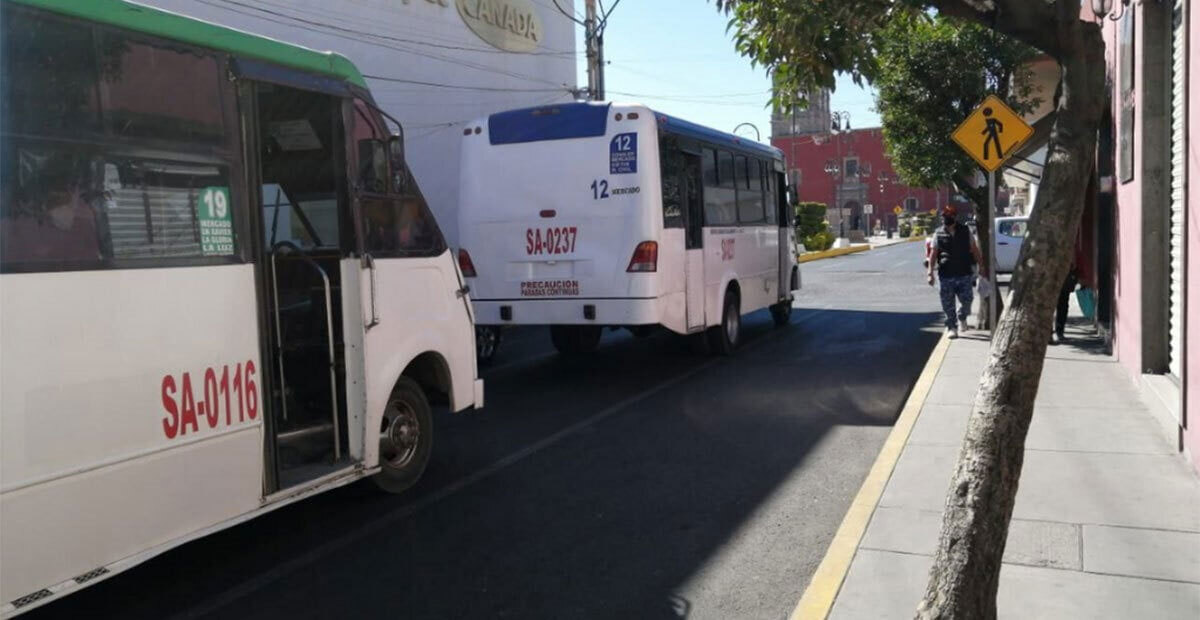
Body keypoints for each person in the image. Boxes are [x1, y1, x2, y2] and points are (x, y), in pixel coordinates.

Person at [927, 205, 984, 339]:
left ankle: (962, 315)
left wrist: (981, 265)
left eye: (948, 216)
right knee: (948, 303)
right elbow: (933, 254)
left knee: (968, 300)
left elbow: (974, 249)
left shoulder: (965, 231)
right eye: (944, 217)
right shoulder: (938, 233)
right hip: (946, 274)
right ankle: (952, 327)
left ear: (954, 217)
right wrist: (930, 273)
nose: (945, 219)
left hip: (964, 273)